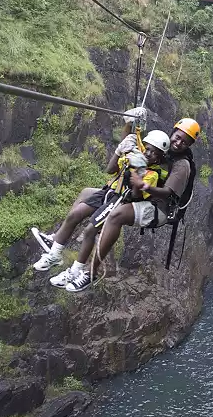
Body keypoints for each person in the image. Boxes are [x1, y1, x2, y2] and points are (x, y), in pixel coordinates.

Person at [38, 117, 201, 293]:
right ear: (173, 131)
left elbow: (167, 192)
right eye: (177, 137)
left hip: (158, 206)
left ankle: (89, 272)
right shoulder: (159, 146)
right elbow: (130, 148)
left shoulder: (181, 164)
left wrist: (143, 185)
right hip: (134, 193)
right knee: (87, 193)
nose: (178, 143)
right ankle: (57, 241)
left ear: (189, 145)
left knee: (117, 215)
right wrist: (129, 124)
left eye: (184, 142)